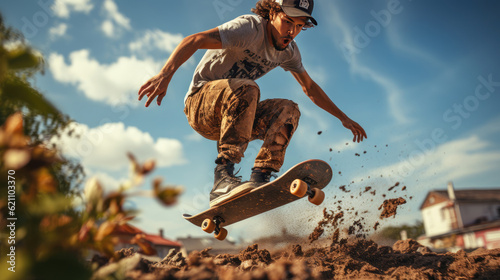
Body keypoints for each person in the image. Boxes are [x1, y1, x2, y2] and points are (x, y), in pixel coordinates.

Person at [138, 0, 367, 207]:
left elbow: (310, 88)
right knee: (248, 87)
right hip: (200, 106)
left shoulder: (289, 52)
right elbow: (195, 40)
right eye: (287, 22)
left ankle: (261, 176)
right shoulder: (249, 28)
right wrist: (164, 75)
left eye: (299, 26)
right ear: (272, 13)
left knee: (288, 110)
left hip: (237, 118)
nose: (291, 32)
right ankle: (223, 177)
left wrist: (343, 118)